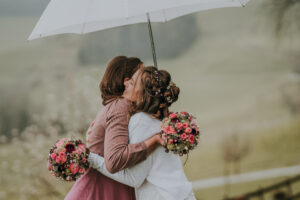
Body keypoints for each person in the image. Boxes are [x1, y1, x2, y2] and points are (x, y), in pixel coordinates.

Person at [88, 66, 196, 200]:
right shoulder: (159, 120)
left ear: (143, 95)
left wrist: (91, 159)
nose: (125, 83)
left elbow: (134, 178)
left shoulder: (140, 121)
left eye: (132, 83)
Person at [65, 56, 162, 200]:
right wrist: (153, 141)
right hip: (100, 190)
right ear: (127, 81)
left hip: (110, 184)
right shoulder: (120, 106)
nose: (147, 76)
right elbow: (115, 158)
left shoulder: (115, 105)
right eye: (141, 73)